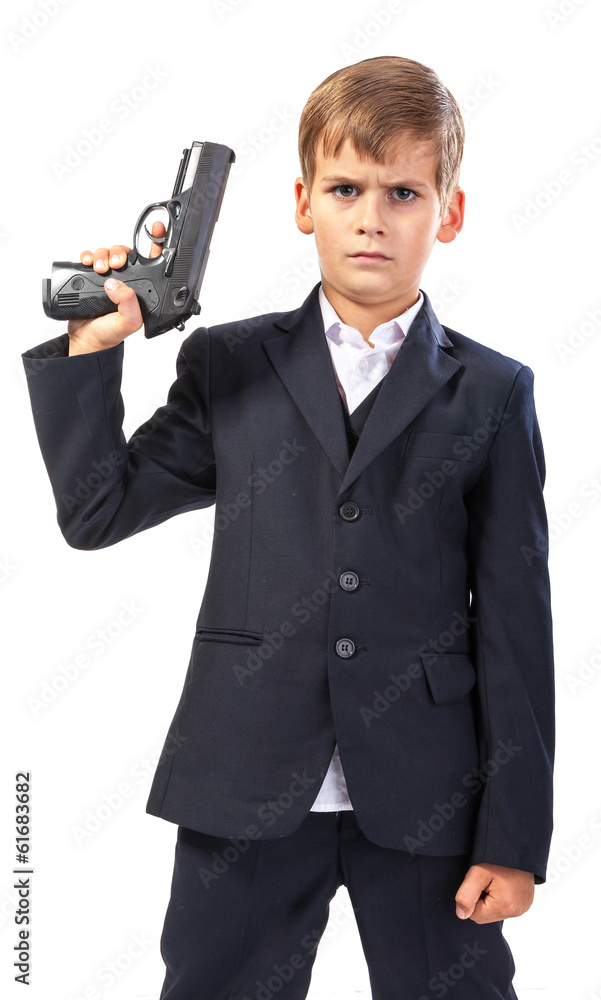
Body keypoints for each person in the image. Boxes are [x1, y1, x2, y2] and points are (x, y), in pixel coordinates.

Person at [22, 55, 555, 1000]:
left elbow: (518, 628)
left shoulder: (492, 391)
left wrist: (514, 840)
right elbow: (98, 511)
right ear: (304, 203)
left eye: (402, 192)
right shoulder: (229, 364)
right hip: (245, 777)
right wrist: (91, 351)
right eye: (345, 189)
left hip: (429, 792)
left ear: (449, 213)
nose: (371, 217)